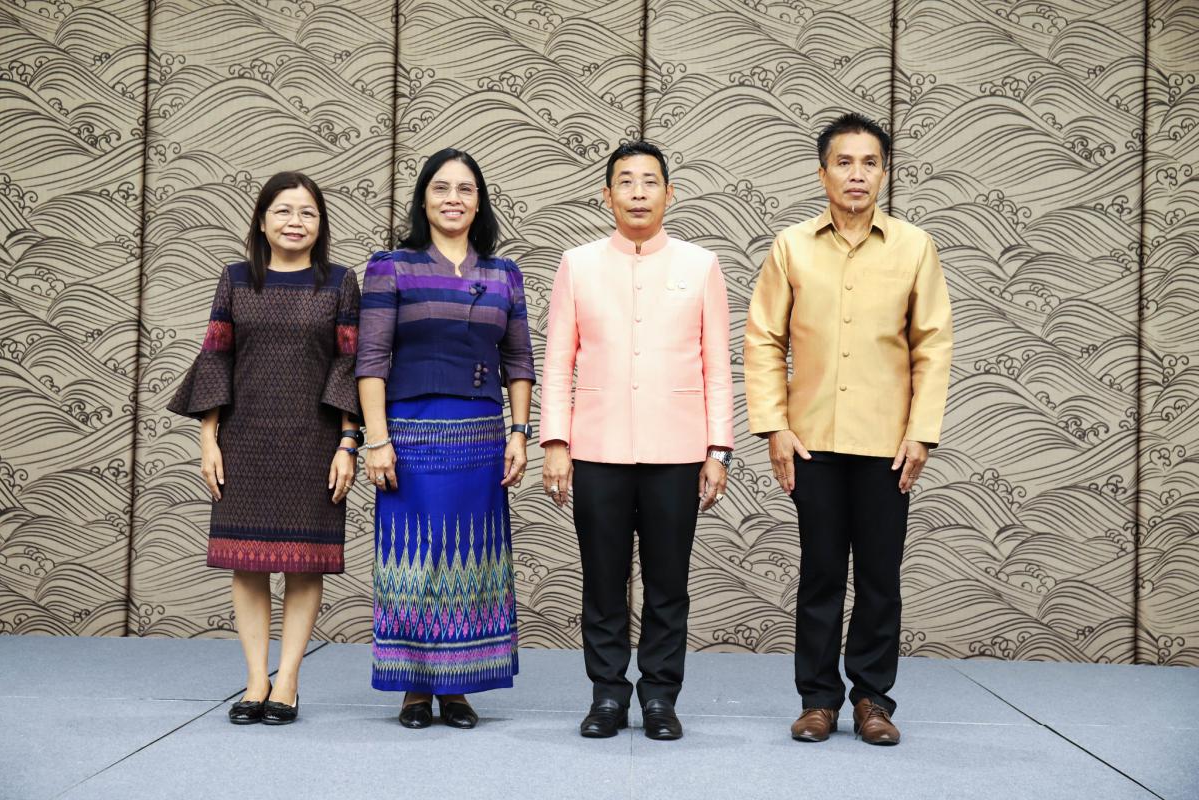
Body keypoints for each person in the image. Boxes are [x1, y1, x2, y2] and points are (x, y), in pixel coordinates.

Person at [744, 112, 953, 746]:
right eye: (844, 162)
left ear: (883, 174)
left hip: (889, 445)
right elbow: (764, 339)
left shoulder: (914, 247)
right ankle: (817, 700)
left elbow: (932, 344)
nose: (856, 174)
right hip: (811, 442)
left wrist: (921, 432)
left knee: (880, 577)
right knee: (821, 574)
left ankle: (872, 700)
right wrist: (774, 427)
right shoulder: (792, 247)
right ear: (822, 173)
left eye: (869, 163)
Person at [539, 141, 734, 740]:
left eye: (650, 181)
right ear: (607, 196)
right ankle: (606, 694)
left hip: (678, 451)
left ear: (670, 194)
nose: (639, 192)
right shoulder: (578, 264)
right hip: (597, 449)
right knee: (602, 580)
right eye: (626, 181)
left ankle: (659, 697)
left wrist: (718, 449)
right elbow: (558, 362)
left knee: (668, 584)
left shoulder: (700, 265)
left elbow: (718, 367)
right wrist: (555, 441)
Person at [169, 171, 361, 726]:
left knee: (304, 566)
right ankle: (256, 680)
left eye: (307, 213)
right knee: (247, 565)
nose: (295, 222)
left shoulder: (340, 283)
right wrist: (208, 438)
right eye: (283, 211)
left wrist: (348, 442)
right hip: (244, 441)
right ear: (261, 219)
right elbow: (216, 356)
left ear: (321, 224)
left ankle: (289, 681)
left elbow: (349, 364)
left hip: (314, 442)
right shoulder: (235, 279)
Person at [355, 148, 534, 730]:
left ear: (479, 203)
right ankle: (414, 687)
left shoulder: (504, 274)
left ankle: (457, 688)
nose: (453, 198)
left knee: (472, 559)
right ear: (424, 200)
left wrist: (519, 433)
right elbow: (371, 360)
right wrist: (376, 440)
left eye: (465, 189)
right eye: (441, 188)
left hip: (481, 438)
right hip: (409, 436)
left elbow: (519, 361)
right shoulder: (392, 267)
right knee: (412, 560)